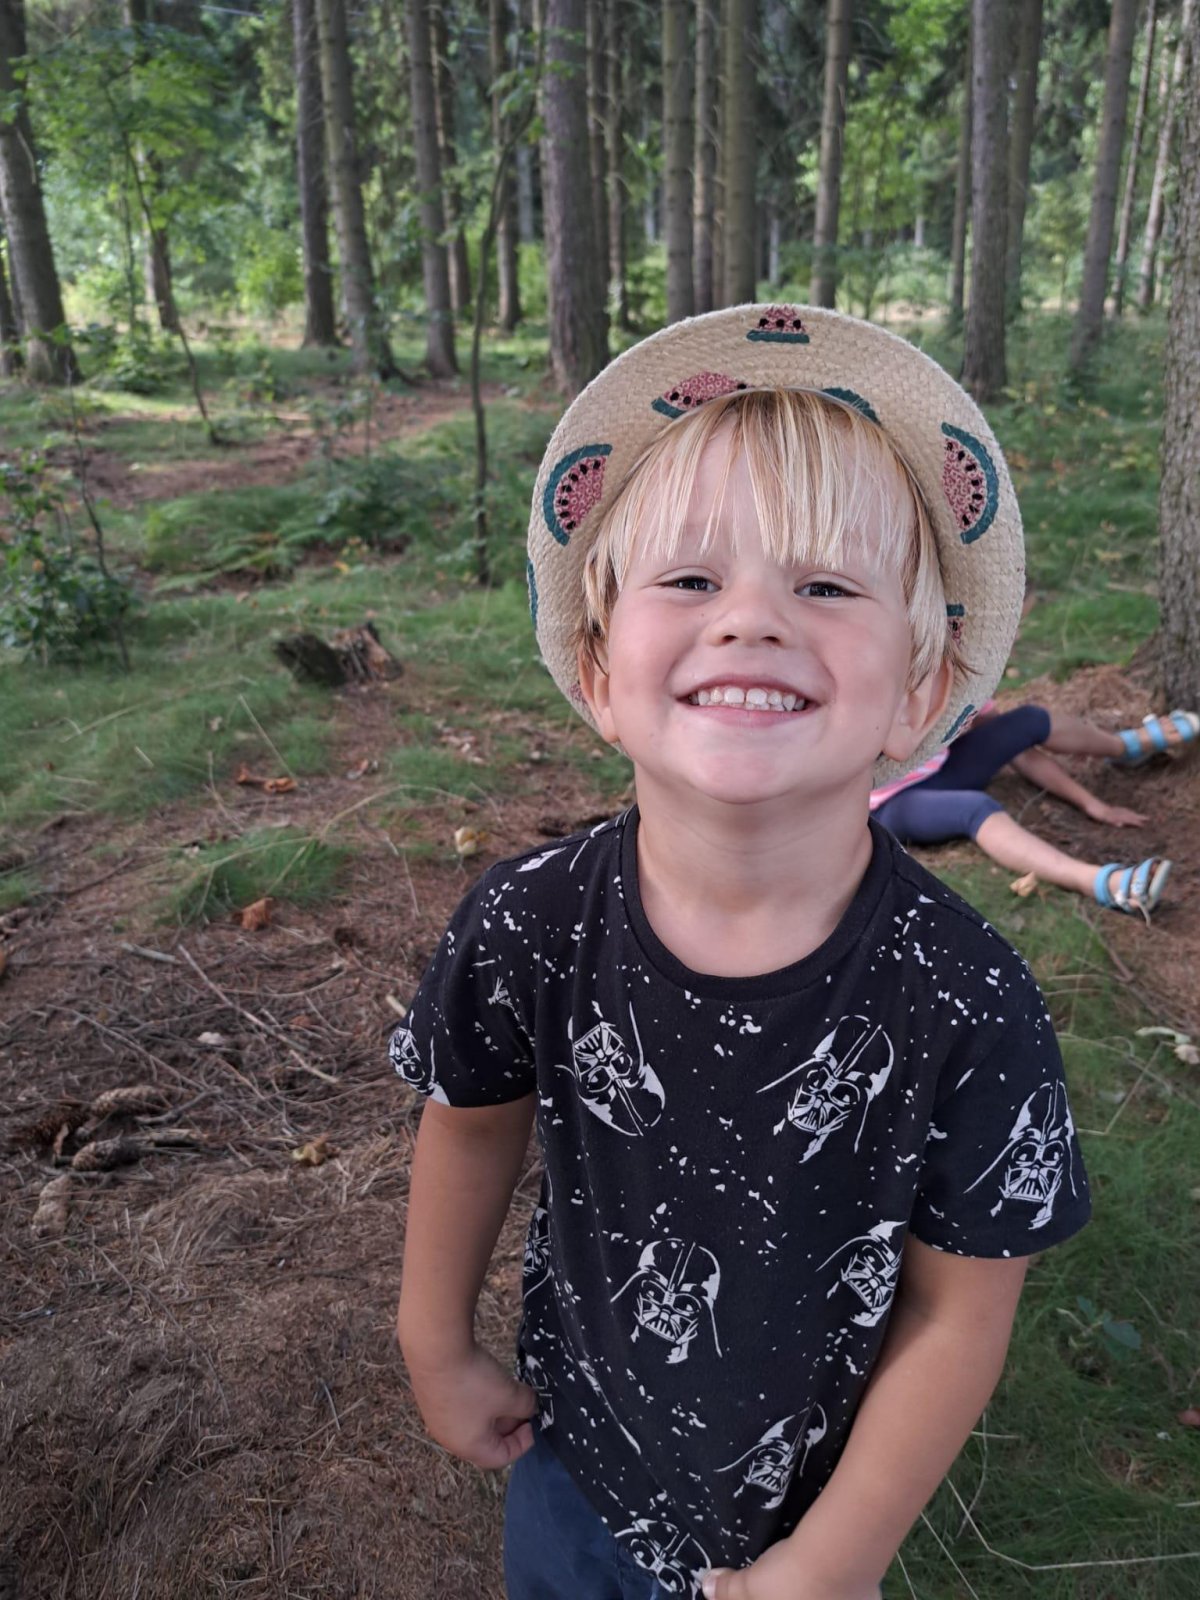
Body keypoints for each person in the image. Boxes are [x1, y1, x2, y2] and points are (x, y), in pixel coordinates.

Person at [393, 305, 1093, 1600]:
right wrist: (434, 1340)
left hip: (815, 1511)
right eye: (690, 581)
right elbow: (472, 1121)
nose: (753, 620)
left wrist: (835, 1559)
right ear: (598, 669)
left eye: (825, 587)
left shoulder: (970, 1001)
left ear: (919, 691)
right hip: (576, 1471)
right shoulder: (529, 922)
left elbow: (959, 1310)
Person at [870, 702, 1198, 915]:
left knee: (1028, 720)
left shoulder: (958, 671)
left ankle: (1126, 746)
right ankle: (1102, 884)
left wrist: (1093, 804)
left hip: (945, 768)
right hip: (889, 802)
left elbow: (1019, 750)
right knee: (974, 808)